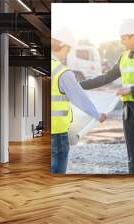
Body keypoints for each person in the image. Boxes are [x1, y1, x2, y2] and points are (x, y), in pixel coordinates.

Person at [80, 18, 134, 174]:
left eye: (123, 38)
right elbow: (106, 77)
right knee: (132, 157)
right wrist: (79, 85)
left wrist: (130, 90)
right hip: (128, 113)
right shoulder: (123, 57)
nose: (121, 41)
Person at [51, 27, 107, 174]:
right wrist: (97, 114)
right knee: (57, 170)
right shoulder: (62, 72)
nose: (68, 53)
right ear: (63, 46)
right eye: (68, 49)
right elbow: (80, 98)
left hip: (45, 131)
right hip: (57, 132)